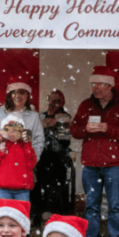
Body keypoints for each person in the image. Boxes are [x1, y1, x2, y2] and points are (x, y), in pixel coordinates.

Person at [70, 66, 119, 237]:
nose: (96, 88)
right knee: (91, 203)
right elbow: (74, 130)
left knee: (115, 204)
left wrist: (109, 128)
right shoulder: (86, 105)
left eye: (100, 84)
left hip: (115, 164)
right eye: (93, 84)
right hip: (90, 163)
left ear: (110, 85)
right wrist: (85, 130)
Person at [32, 90, 74, 225]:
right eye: (51, 100)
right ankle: (37, 218)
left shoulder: (65, 117)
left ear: (61, 102)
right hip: (42, 157)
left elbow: (65, 139)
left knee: (58, 189)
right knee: (38, 188)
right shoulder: (41, 116)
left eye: (57, 101)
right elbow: (35, 133)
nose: (53, 103)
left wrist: (54, 123)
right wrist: (46, 123)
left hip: (58, 158)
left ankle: (59, 219)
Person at [0, 76, 45, 164]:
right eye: (14, 92)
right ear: (9, 95)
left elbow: (39, 140)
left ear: (27, 95)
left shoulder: (33, 116)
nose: (18, 95)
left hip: (23, 167)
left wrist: (32, 159)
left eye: (21, 92)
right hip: (1, 165)